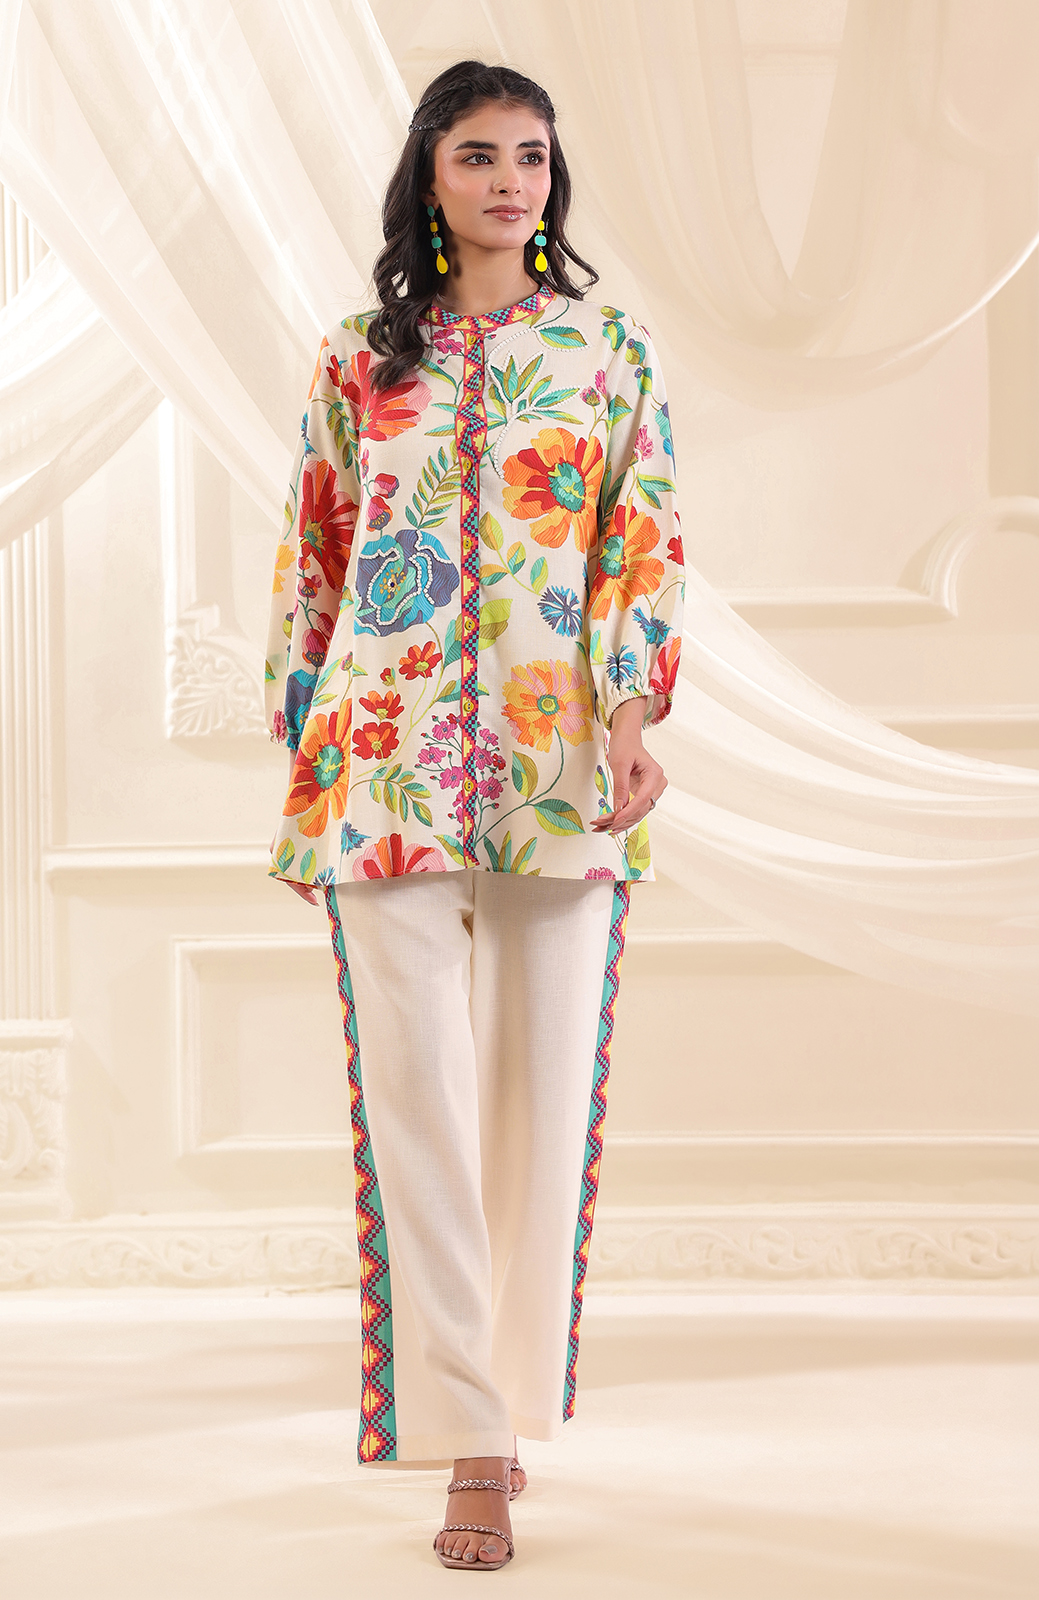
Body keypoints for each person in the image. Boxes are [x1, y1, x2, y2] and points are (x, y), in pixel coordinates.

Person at [264, 58, 684, 1572]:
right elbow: (316, 551)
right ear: (429, 181)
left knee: (540, 1100)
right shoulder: (357, 357)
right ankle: (471, 1443)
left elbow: (642, 538)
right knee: (417, 1103)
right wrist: (304, 747)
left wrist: (632, 712)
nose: (512, 182)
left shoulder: (606, 351)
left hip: (557, 761)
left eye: (532, 158)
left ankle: (511, 1407)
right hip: (379, 764)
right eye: (479, 157)